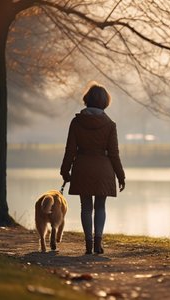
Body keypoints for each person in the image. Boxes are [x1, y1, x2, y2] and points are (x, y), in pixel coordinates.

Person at [60, 83, 125, 254]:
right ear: (105, 102)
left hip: (82, 167)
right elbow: (114, 153)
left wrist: (64, 170)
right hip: (103, 169)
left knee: (86, 207)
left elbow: (70, 150)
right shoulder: (110, 124)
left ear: (87, 100)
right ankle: (98, 243)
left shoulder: (76, 122)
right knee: (101, 207)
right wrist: (121, 176)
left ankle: (88, 244)